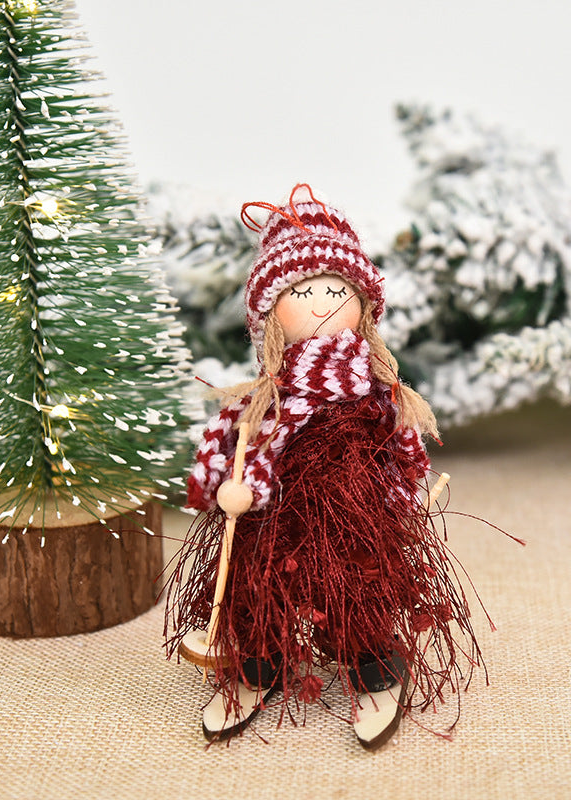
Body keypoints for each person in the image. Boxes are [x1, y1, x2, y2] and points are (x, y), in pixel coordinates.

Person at [165, 185, 481, 749]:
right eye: (302, 291)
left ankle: (372, 662)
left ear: (363, 304)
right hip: (275, 518)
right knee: (260, 584)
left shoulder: (378, 392)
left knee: (358, 583)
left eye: (337, 289)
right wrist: (229, 489)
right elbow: (232, 449)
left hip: (354, 517)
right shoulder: (264, 400)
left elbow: (402, 447)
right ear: (270, 315)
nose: (322, 303)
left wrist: (405, 495)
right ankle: (261, 661)